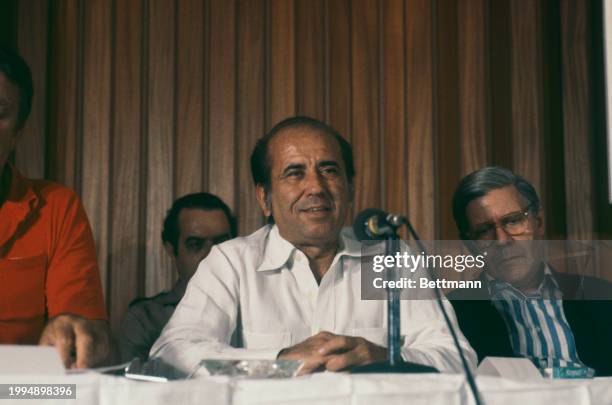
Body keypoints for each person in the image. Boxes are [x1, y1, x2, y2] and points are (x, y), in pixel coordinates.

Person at [150, 116, 475, 374]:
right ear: (265, 197)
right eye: (294, 173)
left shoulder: (392, 258)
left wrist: (385, 358)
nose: (315, 187)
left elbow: (455, 357)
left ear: (349, 188)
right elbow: (173, 353)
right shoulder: (231, 262)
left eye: (329, 170)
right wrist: (279, 361)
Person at [0, 47, 109, 368]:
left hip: (19, 390)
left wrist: (76, 334)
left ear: (17, 131)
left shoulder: (56, 207)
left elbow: (93, 343)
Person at [448, 166, 612, 376]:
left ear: (538, 222)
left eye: (513, 220)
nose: (502, 240)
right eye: (484, 230)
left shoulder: (601, 295)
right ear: (470, 245)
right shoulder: (452, 313)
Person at [119, 192, 235, 361]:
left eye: (221, 244)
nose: (211, 255)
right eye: (195, 245)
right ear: (171, 250)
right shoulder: (145, 318)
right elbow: (130, 384)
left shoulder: (252, 310)